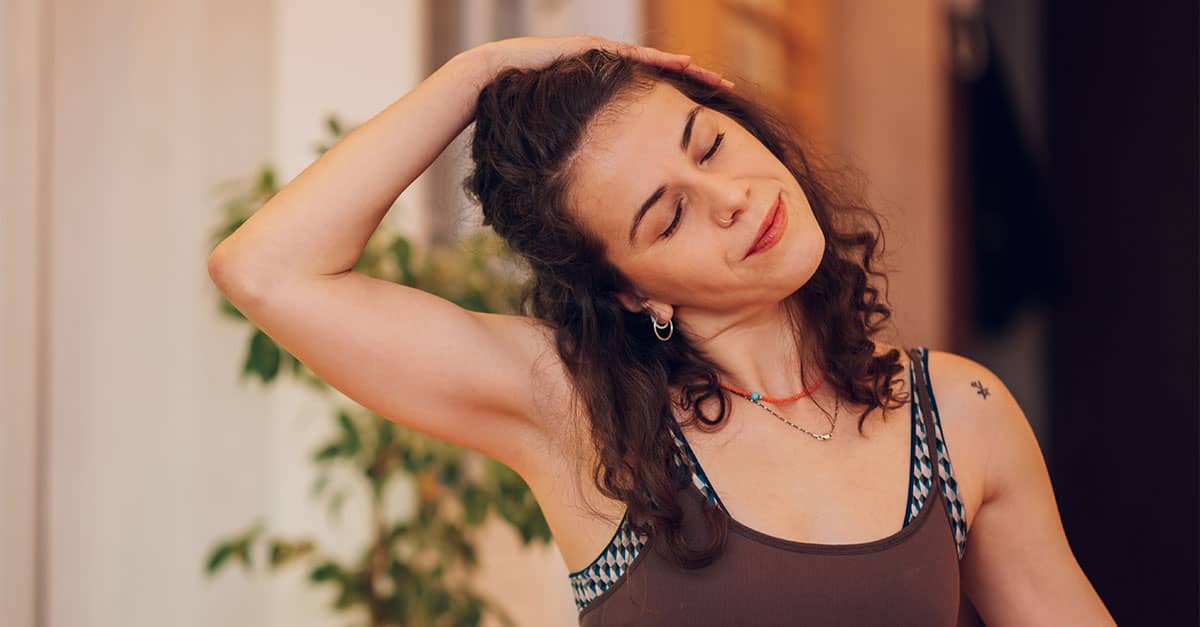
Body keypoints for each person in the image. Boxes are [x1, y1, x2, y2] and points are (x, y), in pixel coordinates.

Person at [208, 35, 1115, 626]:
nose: (733, 201)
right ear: (632, 290)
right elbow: (266, 268)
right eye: (665, 216)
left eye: (709, 144)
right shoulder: (575, 416)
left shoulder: (959, 412)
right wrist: (475, 74)